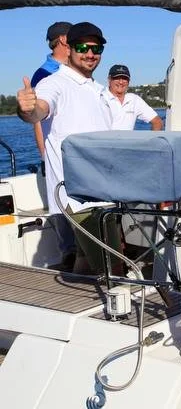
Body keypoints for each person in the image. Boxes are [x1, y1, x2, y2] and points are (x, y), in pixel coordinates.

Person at [16, 21, 117, 274]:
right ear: (69, 48)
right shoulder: (55, 83)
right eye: (83, 47)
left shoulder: (98, 90)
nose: (91, 54)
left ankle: (83, 293)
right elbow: (38, 111)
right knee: (112, 265)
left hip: (103, 190)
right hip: (78, 197)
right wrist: (27, 109)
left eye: (97, 49)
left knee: (85, 258)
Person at [31, 22, 72, 159]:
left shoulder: (76, 71)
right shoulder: (42, 74)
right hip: (58, 154)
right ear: (63, 39)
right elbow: (37, 120)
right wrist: (44, 157)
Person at [102, 64, 163, 130]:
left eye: (125, 78)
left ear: (129, 81)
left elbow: (157, 122)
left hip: (128, 140)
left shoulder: (134, 100)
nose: (121, 82)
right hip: (104, 140)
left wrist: (152, 139)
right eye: (117, 78)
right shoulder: (101, 98)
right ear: (109, 79)